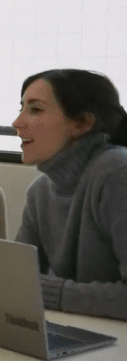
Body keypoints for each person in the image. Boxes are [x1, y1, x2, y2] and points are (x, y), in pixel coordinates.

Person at [12, 69, 127, 321]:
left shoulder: (117, 175)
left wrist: (50, 292)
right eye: (21, 108)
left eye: (35, 110)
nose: (17, 123)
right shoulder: (40, 191)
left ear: (82, 123)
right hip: (80, 331)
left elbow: (34, 288)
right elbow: (18, 280)